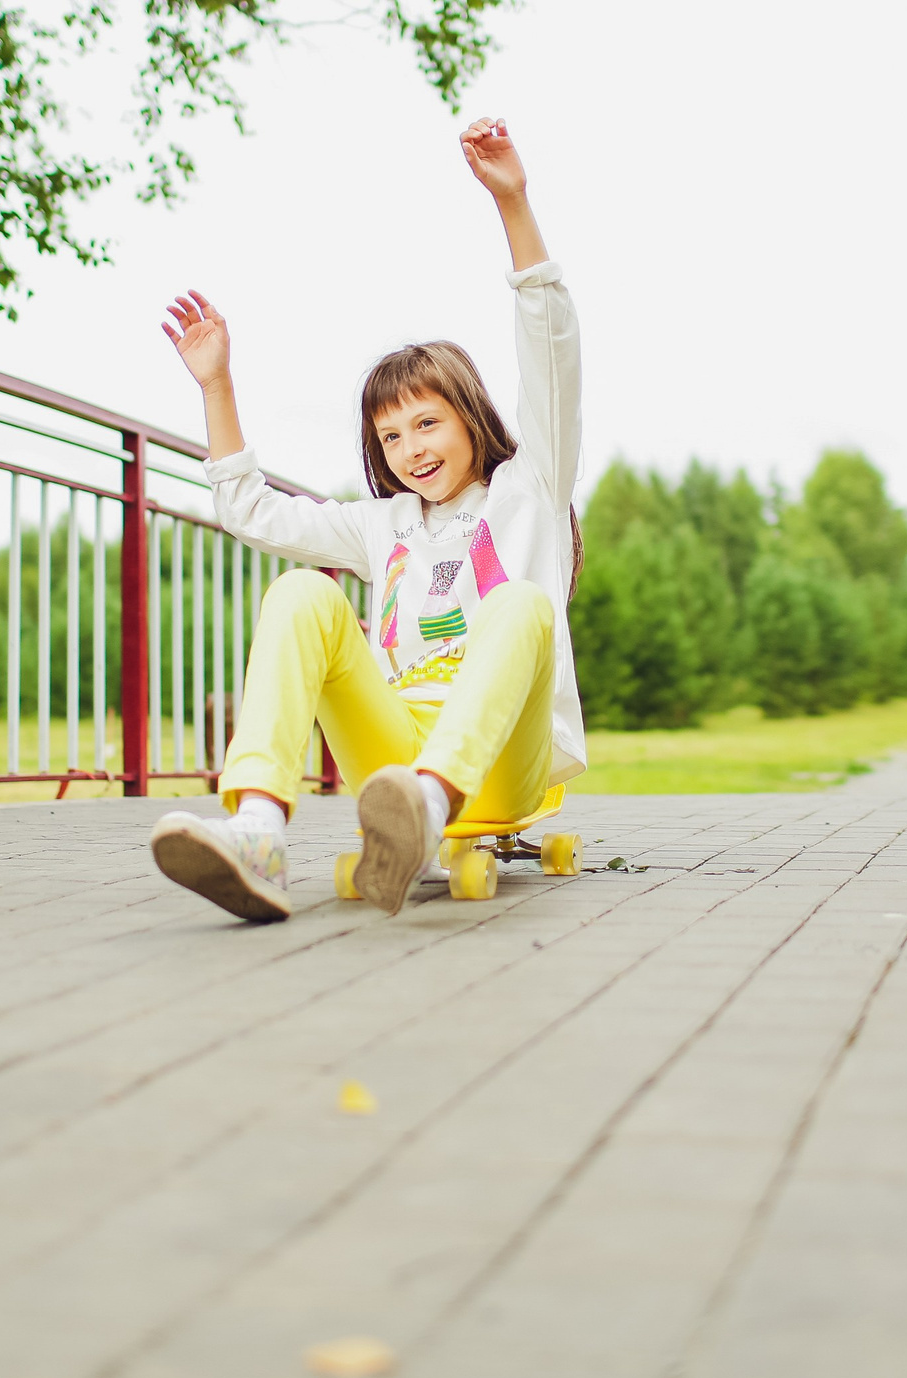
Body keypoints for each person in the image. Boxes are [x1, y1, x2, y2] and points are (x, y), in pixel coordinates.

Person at [149, 116, 584, 922]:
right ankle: (257, 831)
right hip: (393, 757)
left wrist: (513, 202)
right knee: (300, 593)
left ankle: (429, 807)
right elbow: (251, 510)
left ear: (469, 418)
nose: (409, 449)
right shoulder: (381, 527)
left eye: (426, 424)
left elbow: (551, 352)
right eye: (390, 436)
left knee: (520, 601)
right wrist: (217, 386)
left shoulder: (530, 491)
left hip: (497, 762)